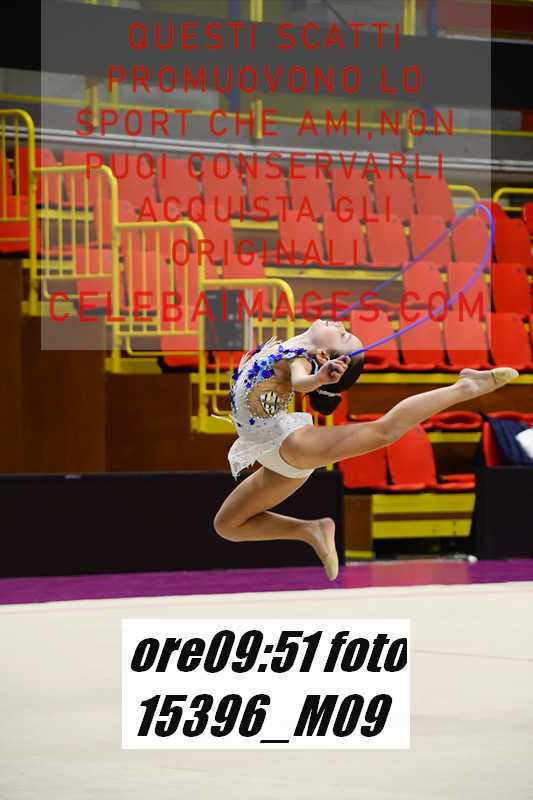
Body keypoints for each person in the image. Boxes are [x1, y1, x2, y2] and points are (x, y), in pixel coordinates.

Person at [213, 318, 518, 581]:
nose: (340, 325)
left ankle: (465, 387)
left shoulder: (302, 358)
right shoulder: (294, 343)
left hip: (287, 445)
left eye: (344, 336)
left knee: (382, 431)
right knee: (228, 525)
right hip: (270, 454)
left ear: (324, 355)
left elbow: (302, 381)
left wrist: (318, 378)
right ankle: (311, 530)